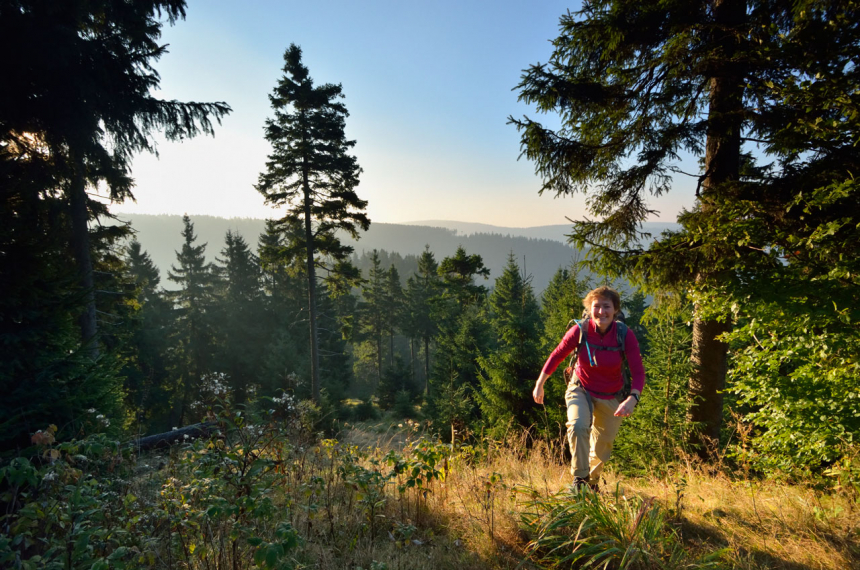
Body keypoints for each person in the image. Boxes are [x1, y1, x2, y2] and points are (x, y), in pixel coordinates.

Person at [532, 286, 645, 491]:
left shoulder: (624, 335)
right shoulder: (580, 330)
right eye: (596, 306)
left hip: (612, 394)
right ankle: (580, 479)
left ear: (615, 310)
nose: (601, 311)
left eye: (606, 306)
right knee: (577, 426)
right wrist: (540, 384)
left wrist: (632, 398)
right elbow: (557, 355)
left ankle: (591, 484)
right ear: (589, 308)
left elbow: (638, 371)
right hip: (580, 387)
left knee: (603, 447)